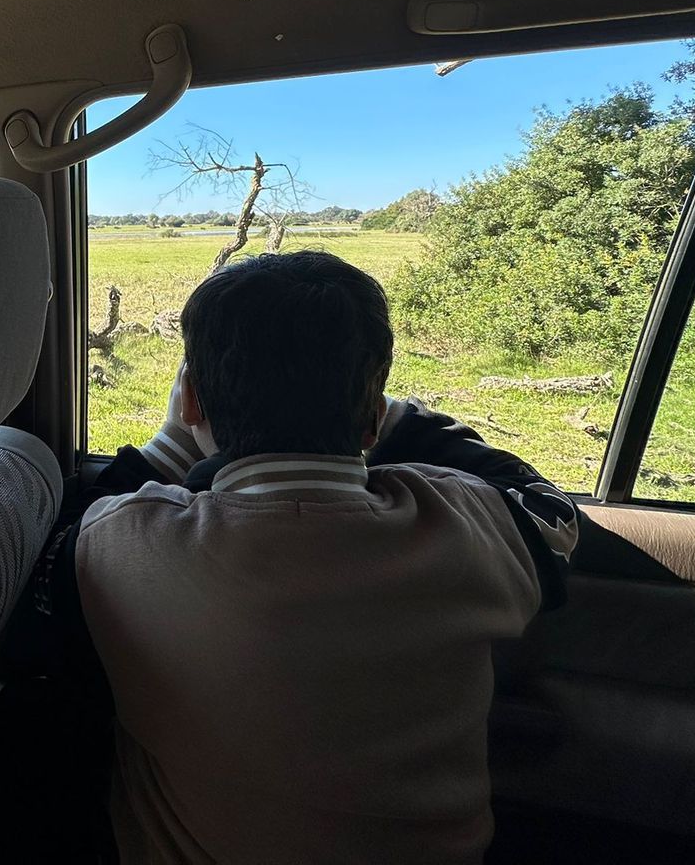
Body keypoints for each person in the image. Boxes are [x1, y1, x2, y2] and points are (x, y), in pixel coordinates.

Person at [44, 251, 578, 864]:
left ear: (191, 404)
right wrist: (394, 410)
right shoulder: (467, 524)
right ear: (374, 419)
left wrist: (171, 442)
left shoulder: (123, 538)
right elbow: (552, 508)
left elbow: (63, 541)